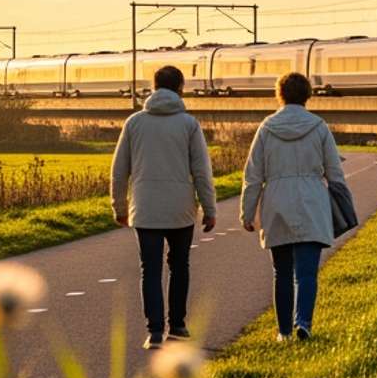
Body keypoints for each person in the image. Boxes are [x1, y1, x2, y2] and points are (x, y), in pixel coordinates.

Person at [110, 64, 217, 350]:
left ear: (154, 87)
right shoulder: (189, 124)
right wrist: (210, 208)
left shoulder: (134, 123)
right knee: (179, 266)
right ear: (181, 87)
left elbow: (119, 171)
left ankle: (154, 332)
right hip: (180, 209)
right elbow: (202, 172)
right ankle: (178, 326)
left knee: (150, 268)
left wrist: (119, 206)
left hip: (145, 208)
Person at [240, 71, 344, 342]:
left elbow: (253, 175)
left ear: (280, 94)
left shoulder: (266, 127)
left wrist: (247, 212)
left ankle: (284, 332)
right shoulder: (319, 126)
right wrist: (344, 207)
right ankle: (304, 324)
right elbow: (335, 173)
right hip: (311, 201)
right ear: (308, 95)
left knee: (281, 272)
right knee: (307, 272)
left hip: (276, 201)